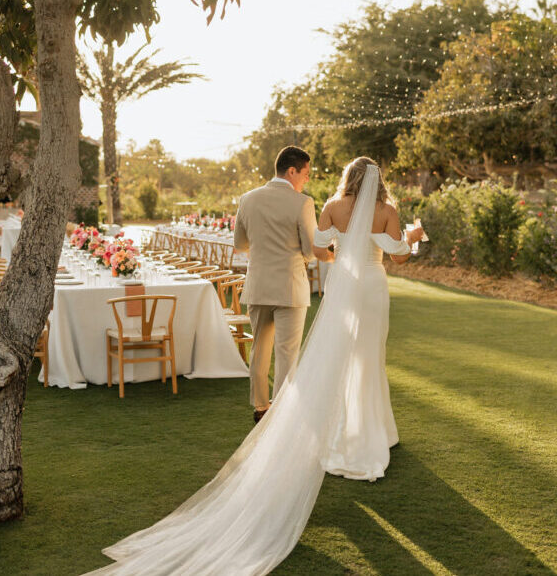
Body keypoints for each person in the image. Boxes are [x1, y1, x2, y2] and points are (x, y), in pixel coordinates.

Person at [86, 157, 425, 576]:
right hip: (369, 286)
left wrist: (344, 252)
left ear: (348, 178)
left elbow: (317, 248)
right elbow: (400, 257)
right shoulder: (386, 211)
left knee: (306, 354)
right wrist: (414, 236)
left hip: (335, 284)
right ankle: (371, 434)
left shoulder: (329, 205)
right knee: (363, 357)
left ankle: (301, 419)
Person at [232, 145, 317, 424]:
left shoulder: (247, 198)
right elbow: (309, 249)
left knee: (260, 349)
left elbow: (240, 245)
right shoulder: (302, 202)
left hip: (257, 285)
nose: (306, 179)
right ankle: (281, 415)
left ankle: (260, 407)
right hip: (290, 287)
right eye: (305, 174)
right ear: (291, 171)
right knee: (287, 353)